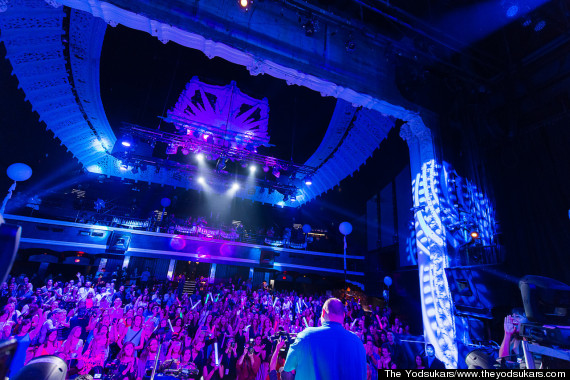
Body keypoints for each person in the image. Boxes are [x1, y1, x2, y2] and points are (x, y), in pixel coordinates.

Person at [283, 298, 366, 380]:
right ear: (344, 315)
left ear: (323, 313)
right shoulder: (357, 342)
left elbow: (288, 367)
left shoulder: (306, 336)